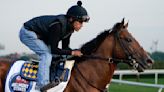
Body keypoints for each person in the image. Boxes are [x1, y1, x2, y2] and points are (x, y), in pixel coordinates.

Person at [19, 1, 90, 90]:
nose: (81, 25)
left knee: (60, 55)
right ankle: (42, 85)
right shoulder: (58, 26)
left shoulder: (69, 29)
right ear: (71, 19)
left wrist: (77, 53)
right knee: (46, 54)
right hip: (27, 32)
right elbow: (54, 49)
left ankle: (51, 76)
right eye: (80, 22)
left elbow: (65, 49)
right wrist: (72, 52)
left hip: (40, 36)